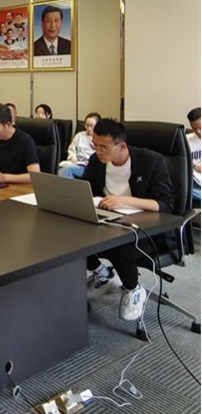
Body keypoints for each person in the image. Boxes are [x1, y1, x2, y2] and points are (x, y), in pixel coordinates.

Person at [84, 119, 175, 321]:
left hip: (147, 229)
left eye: (103, 147)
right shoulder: (96, 161)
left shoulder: (151, 161)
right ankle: (103, 273)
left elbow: (165, 204)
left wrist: (123, 200)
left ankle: (133, 289)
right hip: (109, 221)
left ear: (122, 146)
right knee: (72, 237)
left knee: (121, 246)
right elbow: (85, 190)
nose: (98, 151)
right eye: (95, 145)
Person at [58, 112, 100, 179]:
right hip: (77, 163)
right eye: (87, 125)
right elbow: (71, 149)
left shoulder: (100, 138)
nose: (89, 128)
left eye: (91, 126)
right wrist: (72, 157)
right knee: (61, 167)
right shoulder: (79, 135)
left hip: (89, 167)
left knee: (68, 169)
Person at [187, 107, 201, 201]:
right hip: (192, 181)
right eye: (194, 128)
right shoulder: (185, 140)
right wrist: (192, 166)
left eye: (200, 127)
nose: (198, 132)